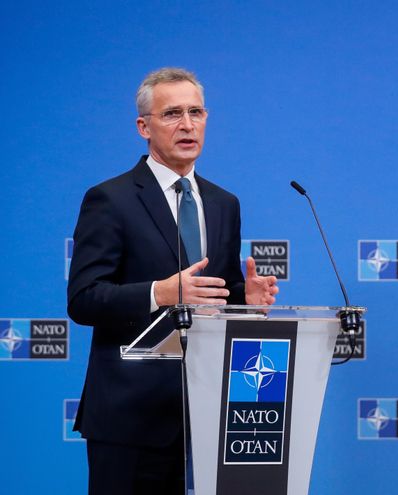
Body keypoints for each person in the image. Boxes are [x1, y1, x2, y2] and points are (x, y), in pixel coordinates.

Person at [67, 67, 279, 494]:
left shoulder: (224, 203)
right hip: (130, 418)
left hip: (207, 413)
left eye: (196, 112)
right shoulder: (110, 199)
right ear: (144, 127)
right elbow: (84, 299)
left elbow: (215, 294)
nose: (187, 124)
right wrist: (158, 293)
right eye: (172, 114)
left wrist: (246, 301)